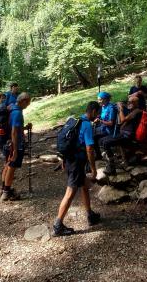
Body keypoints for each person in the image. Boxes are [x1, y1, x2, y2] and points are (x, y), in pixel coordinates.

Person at [52, 101, 101, 236]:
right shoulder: (86, 125)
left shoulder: (75, 120)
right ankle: (58, 225)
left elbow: (69, 141)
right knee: (70, 194)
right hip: (76, 163)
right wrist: (93, 169)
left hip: (70, 160)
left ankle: (90, 214)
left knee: (84, 186)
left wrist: (64, 159)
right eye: (98, 113)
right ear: (93, 112)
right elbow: (89, 149)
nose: (98, 116)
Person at [0, 92, 32, 201]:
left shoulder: (11, 107)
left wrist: (25, 128)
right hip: (14, 144)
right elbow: (14, 132)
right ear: (23, 101)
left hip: (7, 142)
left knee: (8, 165)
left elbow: (16, 128)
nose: (28, 105)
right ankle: (6, 193)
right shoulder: (17, 113)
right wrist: (15, 150)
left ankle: (4, 189)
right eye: (28, 103)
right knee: (11, 167)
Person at [100, 95, 143, 175]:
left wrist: (120, 108)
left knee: (106, 143)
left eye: (131, 102)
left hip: (128, 135)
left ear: (136, 103)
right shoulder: (132, 110)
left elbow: (122, 119)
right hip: (123, 133)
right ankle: (115, 160)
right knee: (102, 140)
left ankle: (112, 167)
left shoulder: (136, 111)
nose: (128, 103)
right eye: (128, 102)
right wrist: (122, 107)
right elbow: (121, 122)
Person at [93, 92, 118, 157]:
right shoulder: (103, 107)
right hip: (103, 127)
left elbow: (111, 123)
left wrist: (100, 121)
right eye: (98, 99)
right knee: (91, 133)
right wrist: (98, 118)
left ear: (105, 99)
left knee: (94, 137)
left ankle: (110, 157)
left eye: (100, 100)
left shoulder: (111, 108)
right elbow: (103, 117)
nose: (98, 101)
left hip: (110, 130)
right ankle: (98, 154)